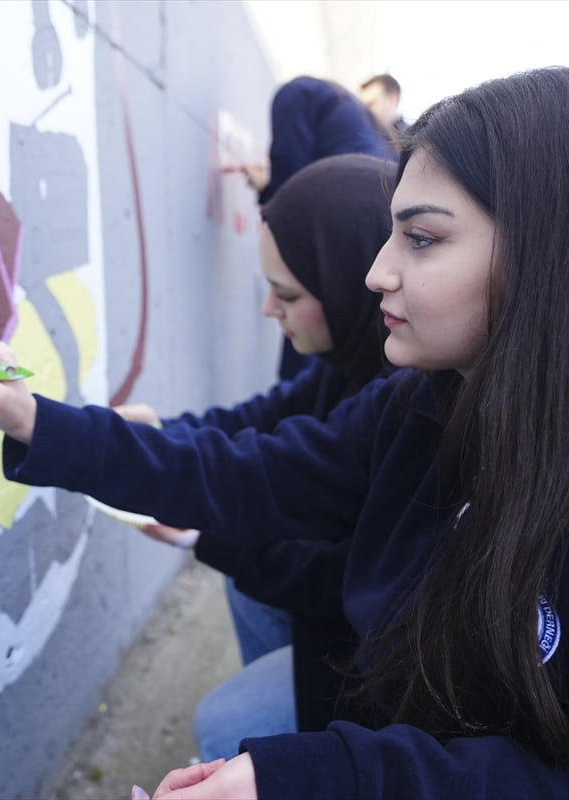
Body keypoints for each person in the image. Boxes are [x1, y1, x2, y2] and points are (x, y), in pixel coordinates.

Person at [0, 68, 569, 798]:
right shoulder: (429, 401)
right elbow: (252, 470)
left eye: (423, 239)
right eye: (388, 236)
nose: (378, 272)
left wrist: (309, 778)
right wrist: (39, 420)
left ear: (550, 254)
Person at [113, 153, 397, 760]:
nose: (269, 310)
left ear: (350, 281)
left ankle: (280, 757)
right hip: (348, 623)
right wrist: (158, 430)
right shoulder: (346, 361)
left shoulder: (401, 398)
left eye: (285, 294)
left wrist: (201, 537)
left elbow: (341, 578)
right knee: (252, 586)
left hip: (394, 660)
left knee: (226, 721)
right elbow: (256, 421)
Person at [238, 75, 387, 382]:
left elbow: (291, 198)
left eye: (286, 296)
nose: (269, 308)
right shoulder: (362, 122)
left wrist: (268, 189)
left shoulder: (297, 94)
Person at [358, 73, 409, 161]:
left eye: (371, 104)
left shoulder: (415, 141)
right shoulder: (365, 141)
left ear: (394, 98)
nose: (367, 112)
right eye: (364, 107)